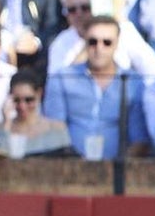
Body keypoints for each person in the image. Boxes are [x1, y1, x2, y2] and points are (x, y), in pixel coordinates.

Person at [43, 14, 147, 158]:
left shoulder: (132, 82)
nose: (99, 48)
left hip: (117, 170)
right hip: (69, 167)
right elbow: (55, 129)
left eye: (107, 42)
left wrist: (118, 170)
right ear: (85, 42)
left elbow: (139, 138)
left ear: (117, 44)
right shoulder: (62, 78)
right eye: (93, 42)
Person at [47, 0, 155, 78]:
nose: (79, 14)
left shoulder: (123, 30)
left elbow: (154, 70)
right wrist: (88, 42)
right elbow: (56, 83)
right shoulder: (60, 43)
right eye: (72, 10)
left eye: (85, 7)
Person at [0, 68, 73, 155]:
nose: (22, 106)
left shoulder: (56, 129)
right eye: (16, 100)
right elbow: (0, 158)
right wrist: (6, 124)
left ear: (39, 94)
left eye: (29, 100)